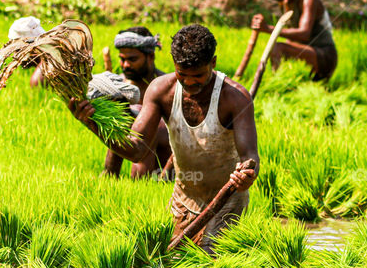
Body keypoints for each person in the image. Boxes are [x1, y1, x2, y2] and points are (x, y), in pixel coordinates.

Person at [70, 24, 259, 253]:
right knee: (173, 259)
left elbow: (250, 156)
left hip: (227, 199)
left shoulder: (235, 98)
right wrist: (92, 124)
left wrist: (247, 175)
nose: (190, 83)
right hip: (184, 198)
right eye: (182, 75)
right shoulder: (161, 90)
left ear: (214, 63)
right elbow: (137, 149)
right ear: (173, 64)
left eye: (198, 75)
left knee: (212, 259)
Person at [101, 26, 172, 179]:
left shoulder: (166, 87)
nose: (126, 65)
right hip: (131, 147)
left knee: (148, 122)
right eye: (122, 59)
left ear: (150, 56)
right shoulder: (116, 86)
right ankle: (110, 176)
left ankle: (144, 181)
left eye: (132, 59)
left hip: (166, 156)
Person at [252, 0, 336, 80]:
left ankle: (278, 83)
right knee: (277, 48)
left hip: (323, 55)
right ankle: (284, 82)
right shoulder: (285, 2)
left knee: (277, 48)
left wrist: (268, 29)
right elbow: (293, 37)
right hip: (305, 51)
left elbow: (304, 34)